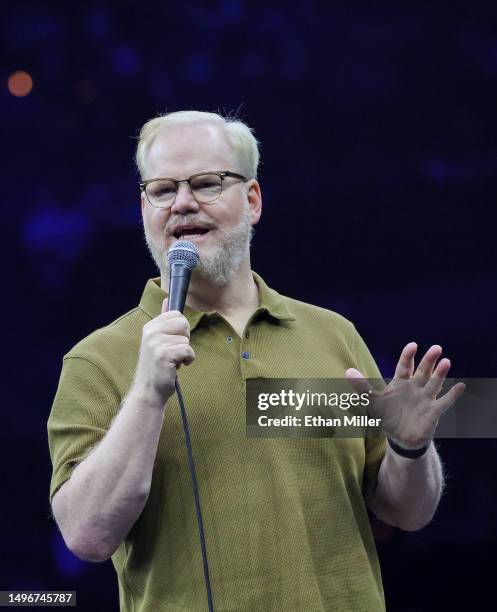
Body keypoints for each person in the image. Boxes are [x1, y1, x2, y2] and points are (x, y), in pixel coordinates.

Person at [48, 110, 465, 612]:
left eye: (206, 183)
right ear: (144, 208)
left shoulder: (331, 335)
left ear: (252, 200)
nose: (182, 203)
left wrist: (410, 446)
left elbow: (407, 512)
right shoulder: (98, 360)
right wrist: (145, 392)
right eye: (163, 190)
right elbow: (86, 536)